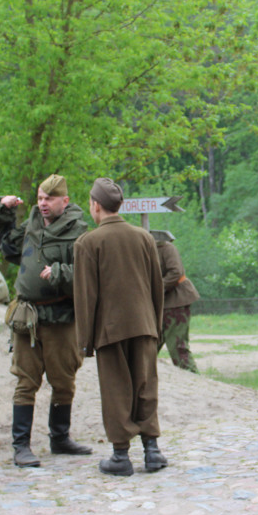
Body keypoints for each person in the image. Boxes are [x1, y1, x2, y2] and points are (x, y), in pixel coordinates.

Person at [0, 174, 92, 468]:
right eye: (39, 198)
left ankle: (59, 439)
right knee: (26, 380)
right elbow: (8, 247)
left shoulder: (79, 233)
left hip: (62, 316)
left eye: (49, 199)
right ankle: (21, 446)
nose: (43, 204)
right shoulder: (33, 223)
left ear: (65, 200)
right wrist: (3, 211)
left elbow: (88, 277)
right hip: (28, 316)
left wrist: (60, 273)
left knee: (63, 380)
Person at [73, 178, 165, 477]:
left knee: (116, 391)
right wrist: (156, 326)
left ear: (95, 205)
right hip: (145, 324)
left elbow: (86, 296)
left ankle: (120, 455)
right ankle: (152, 451)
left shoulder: (88, 243)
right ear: (120, 205)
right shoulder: (144, 238)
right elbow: (156, 287)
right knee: (145, 385)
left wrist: (84, 342)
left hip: (109, 330)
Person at [152, 230, 200, 373]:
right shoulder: (143, 251)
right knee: (147, 347)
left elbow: (175, 272)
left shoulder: (166, 248)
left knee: (178, 347)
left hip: (176, 301)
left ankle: (194, 381)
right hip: (158, 305)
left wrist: (156, 288)